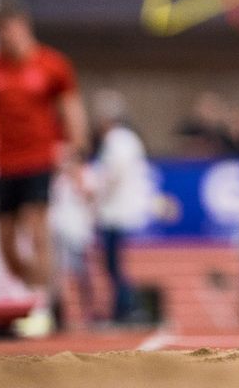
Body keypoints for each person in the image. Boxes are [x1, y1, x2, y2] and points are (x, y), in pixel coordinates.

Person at [0, 0, 87, 337]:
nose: (4, 39)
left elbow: (71, 107)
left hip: (40, 160)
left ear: (23, 27)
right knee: (6, 245)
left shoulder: (52, 64)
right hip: (4, 165)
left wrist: (76, 147)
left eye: (8, 30)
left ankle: (42, 304)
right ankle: (40, 289)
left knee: (35, 226)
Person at [87, 90, 152, 324]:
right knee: (113, 264)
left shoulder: (118, 140)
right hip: (117, 210)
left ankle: (127, 307)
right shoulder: (126, 139)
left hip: (116, 212)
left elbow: (112, 176)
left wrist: (96, 196)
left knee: (114, 264)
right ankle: (122, 307)